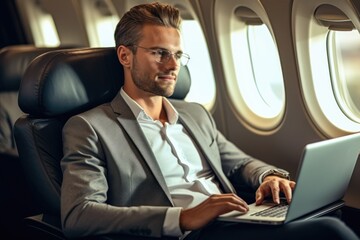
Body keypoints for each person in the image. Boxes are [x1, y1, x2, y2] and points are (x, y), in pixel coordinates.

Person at [60, 2, 359, 240]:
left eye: (178, 55)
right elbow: (79, 215)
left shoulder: (194, 114)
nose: (173, 65)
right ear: (125, 56)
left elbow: (240, 163)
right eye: (159, 53)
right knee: (328, 233)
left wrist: (268, 177)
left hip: (234, 221)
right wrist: (182, 218)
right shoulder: (90, 127)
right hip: (187, 233)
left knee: (328, 218)